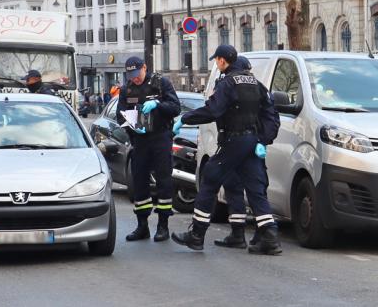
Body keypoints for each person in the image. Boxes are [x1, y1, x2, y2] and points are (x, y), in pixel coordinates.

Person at [171, 45, 282, 255]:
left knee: (210, 179)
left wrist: (185, 119)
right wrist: (263, 140)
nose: (215, 63)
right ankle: (270, 237)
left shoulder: (227, 84)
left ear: (223, 61)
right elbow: (272, 116)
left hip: (234, 141)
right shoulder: (257, 85)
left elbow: (213, 110)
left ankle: (196, 234)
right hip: (252, 142)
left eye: (216, 60)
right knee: (256, 189)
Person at [212, 56, 280, 251]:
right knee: (235, 188)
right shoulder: (238, 86)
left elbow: (271, 118)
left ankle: (265, 235)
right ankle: (238, 233)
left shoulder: (254, 89)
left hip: (245, 144)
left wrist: (263, 140)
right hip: (239, 144)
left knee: (255, 189)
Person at [117, 57, 181, 242]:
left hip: (160, 137)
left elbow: (175, 107)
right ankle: (142, 225)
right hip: (140, 139)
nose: (135, 79)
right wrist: (131, 126)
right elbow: (120, 115)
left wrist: (158, 104)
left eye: (137, 74)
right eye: (131, 76)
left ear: (144, 68)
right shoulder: (126, 89)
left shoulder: (160, 83)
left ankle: (163, 226)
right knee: (139, 181)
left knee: (163, 180)